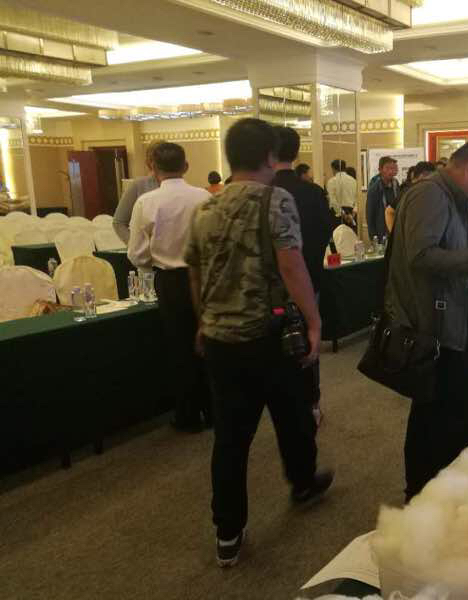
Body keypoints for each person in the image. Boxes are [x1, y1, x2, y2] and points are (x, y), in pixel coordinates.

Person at [184, 118, 332, 567]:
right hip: (268, 336)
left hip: (220, 339)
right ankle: (302, 482)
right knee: (293, 415)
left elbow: (195, 272)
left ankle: (227, 531)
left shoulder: (205, 207)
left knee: (231, 436)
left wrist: (204, 319)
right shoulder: (275, 199)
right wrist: (313, 321)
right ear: (270, 155)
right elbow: (291, 264)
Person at [385, 139, 468, 500]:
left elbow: (448, 252)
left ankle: (440, 487)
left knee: (447, 412)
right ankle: (421, 492)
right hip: (433, 326)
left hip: (449, 319)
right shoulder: (430, 194)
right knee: (434, 415)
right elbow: (422, 256)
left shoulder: (449, 197)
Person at [127, 142, 212, 432]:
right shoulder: (204, 197)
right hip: (205, 278)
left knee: (180, 349)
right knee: (210, 341)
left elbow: (137, 254)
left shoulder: (146, 202)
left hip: (171, 282)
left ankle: (188, 416)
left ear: (153, 168)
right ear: (186, 166)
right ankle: (214, 410)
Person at [272, 126, 334, 426]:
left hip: (267, 286)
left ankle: (278, 406)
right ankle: (311, 403)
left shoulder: (260, 192)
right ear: (296, 153)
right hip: (308, 279)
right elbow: (325, 232)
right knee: (308, 343)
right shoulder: (312, 191)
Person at [113, 139, 165, 244]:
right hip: (147, 248)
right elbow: (118, 222)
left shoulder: (175, 184)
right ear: (149, 162)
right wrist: (135, 244)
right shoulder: (138, 185)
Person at [386, 161, 436, 234]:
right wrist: (394, 234)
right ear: (423, 175)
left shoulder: (423, 191)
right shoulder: (408, 191)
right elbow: (389, 211)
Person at [367, 156, 399, 240]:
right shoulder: (374, 188)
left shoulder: (396, 184)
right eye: (387, 168)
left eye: (393, 168)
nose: (391, 171)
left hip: (394, 228)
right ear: (380, 170)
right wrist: (373, 237)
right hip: (381, 231)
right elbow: (370, 214)